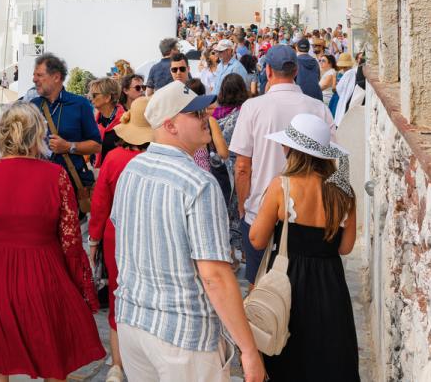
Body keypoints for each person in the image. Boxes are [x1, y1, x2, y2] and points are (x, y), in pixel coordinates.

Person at [111, 81, 266, 382]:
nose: (205, 117)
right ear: (169, 125)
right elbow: (215, 276)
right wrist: (248, 350)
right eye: (194, 114)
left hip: (133, 323)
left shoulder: (132, 170)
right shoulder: (199, 184)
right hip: (183, 335)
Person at [0, 103, 105, 380]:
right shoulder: (56, 176)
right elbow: (70, 240)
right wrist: (81, 287)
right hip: (45, 276)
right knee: (54, 358)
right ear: (38, 135)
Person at [249, 114, 359, 381]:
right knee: (328, 356)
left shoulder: (281, 186)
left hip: (289, 282)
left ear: (293, 149)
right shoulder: (344, 191)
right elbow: (345, 248)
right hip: (331, 284)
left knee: (290, 358)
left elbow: (257, 239)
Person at [229, 44, 335, 285]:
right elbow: (331, 160)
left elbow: (243, 166)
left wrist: (245, 206)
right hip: (308, 215)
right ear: (296, 71)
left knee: (260, 287)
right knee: (303, 287)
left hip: (260, 210)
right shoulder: (318, 108)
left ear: (267, 71)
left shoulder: (253, 107)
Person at [87, 97, 153, 382]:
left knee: (118, 297)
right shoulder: (160, 158)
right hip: (152, 237)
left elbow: (100, 205)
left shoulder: (113, 159)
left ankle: (117, 365)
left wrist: (93, 241)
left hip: (117, 238)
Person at [31, 53, 102, 191]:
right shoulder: (32, 106)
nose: (34, 79)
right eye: (34, 75)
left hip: (71, 184)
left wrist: (69, 146)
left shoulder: (79, 104)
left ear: (56, 77)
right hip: (39, 184)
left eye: (39, 75)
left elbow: (96, 146)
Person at [211, 73, 250, 268]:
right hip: (240, 167)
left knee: (223, 213)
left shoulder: (215, 115)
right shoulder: (244, 113)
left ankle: (230, 256)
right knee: (241, 210)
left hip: (219, 169)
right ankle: (244, 252)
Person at [88, 77, 125, 168]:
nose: (90, 99)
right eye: (90, 95)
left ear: (108, 97)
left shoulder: (125, 121)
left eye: (94, 95)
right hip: (97, 171)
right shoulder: (94, 120)